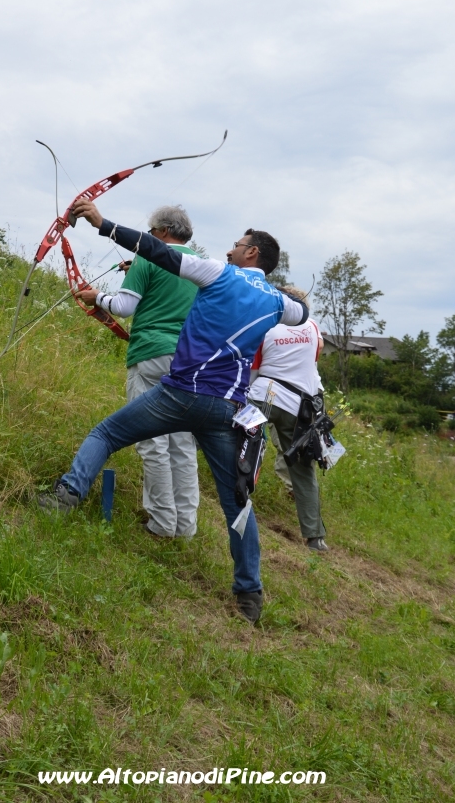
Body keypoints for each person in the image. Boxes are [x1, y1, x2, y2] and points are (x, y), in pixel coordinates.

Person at [38, 203, 308, 623]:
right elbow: (302, 313)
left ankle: (66, 497)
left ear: (252, 254)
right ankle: (249, 595)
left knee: (106, 435)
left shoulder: (218, 271)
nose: (231, 248)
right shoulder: (277, 303)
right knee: (237, 505)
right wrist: (283, 293)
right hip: (226, 411)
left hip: (179, 394)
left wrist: (101, 224)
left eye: (238, 244)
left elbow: (155, 250)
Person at [77, 205, 200, 539]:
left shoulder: (148, 258)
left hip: (151, 356)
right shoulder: (200, 265)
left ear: (160, 232)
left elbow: (124, 307)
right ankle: (185, 530)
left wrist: (94, 296)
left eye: (150, 232)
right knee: (183, 445)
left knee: (152, 441)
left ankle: (161, 525)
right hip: (189, 362)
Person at [248, 287, 329, 551]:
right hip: (299, 408)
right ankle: (315, 537)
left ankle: (235, 494)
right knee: (303, 471)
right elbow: (313, 361)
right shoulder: (313, 327)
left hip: (265, 395)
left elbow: (254, 370)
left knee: (234, 437)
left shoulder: (265, 326)